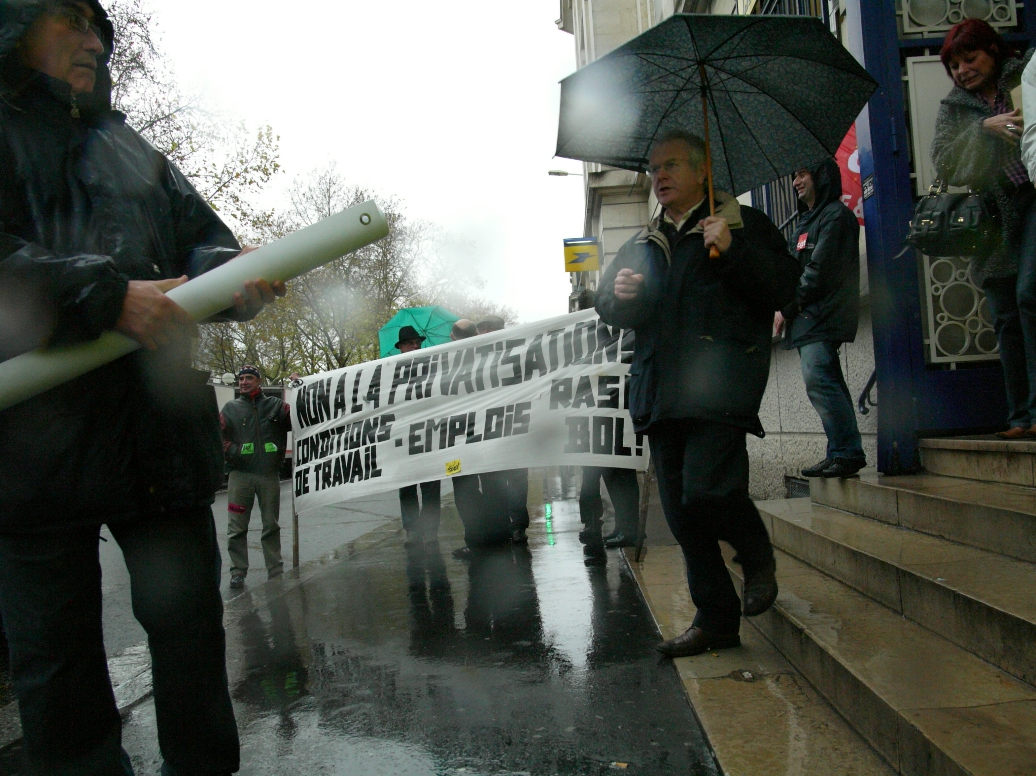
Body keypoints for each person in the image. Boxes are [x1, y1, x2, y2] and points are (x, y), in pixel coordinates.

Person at [0, 1, 285, 772]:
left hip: (155, 435)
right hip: (30, 452)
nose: (93, 40)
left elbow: (204, 241)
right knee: (57, 667)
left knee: (192, 639)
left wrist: (231, 279)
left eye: (98, 27)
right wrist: (103, 296)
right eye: (69, 20)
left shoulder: (130, 148)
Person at [596, 129, 798, 658]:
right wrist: (620, 294)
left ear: (703, 169)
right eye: (653, 168)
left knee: (710, 491)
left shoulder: (743, 225)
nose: (658, 176)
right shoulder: (644, 242)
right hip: (660, 391)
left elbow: (785, 289)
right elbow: (607, 305)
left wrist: (732, 252)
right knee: (684, 519)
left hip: (720, 386)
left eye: (671, 165)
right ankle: (716, 621)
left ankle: (755, 554)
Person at [931, 19, 1036, 439]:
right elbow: (944, 162)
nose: (963, 71)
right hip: (994, 220)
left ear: (993, 51)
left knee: (1030, 294)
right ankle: (1020, 417)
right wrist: (982, 130)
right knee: (1006, 318)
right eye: (954, 65)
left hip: (1032, 202)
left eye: (970, 59)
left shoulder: (1025, 73)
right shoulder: (955, 108)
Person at [775, 159, 866, 478]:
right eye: (794, 176)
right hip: (808, 317)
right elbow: (792, 271)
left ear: (820, 177)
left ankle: (846, 452)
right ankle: (839, 451)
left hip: (824, 315)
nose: (796, 182)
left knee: (820, 380)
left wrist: (787, 307)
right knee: (827, 382)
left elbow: (817, 272)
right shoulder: (806, 221)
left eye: (801, 174)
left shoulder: (835, 217)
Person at [447, 319, 512, 559]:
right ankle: (500, 537)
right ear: (475, 334)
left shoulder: (443, 362)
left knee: (464, 489)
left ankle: (476, 541)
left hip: (456, 440)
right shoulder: (492, 357)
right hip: (489, 435)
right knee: (494, 483)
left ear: (452, 337)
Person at [221, 365, 290, 589]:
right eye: (241, 379)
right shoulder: (230, 408)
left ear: (258, 381)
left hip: (268, 476)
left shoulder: (276, 406)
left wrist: (300, 386)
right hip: (239, 476)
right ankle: (238, 571)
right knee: (236, 527)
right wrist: (236, 452)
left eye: (249, 378)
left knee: (271, 524)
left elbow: (300, 416)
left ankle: (275, 569)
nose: (244, 382)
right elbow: (219, 437)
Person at [476, 315, 531, 544]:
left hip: (513, 426)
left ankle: (516, 525)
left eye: (484, 331)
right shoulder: (476, 359)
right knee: (493, 481)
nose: (480, 336)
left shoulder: (516, 355)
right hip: (489, 430)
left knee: (515, 479)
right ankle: (502, 525)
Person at [395, 325, 442, 543]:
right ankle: (412, 529)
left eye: (417, 342)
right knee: (407, 487)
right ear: (401, 347)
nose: (415, 346)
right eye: (410, 343)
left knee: (431, 486)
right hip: (403, 437)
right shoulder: (390, 371)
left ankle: (430, 529)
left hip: (430, 433)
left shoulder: (432, 366)